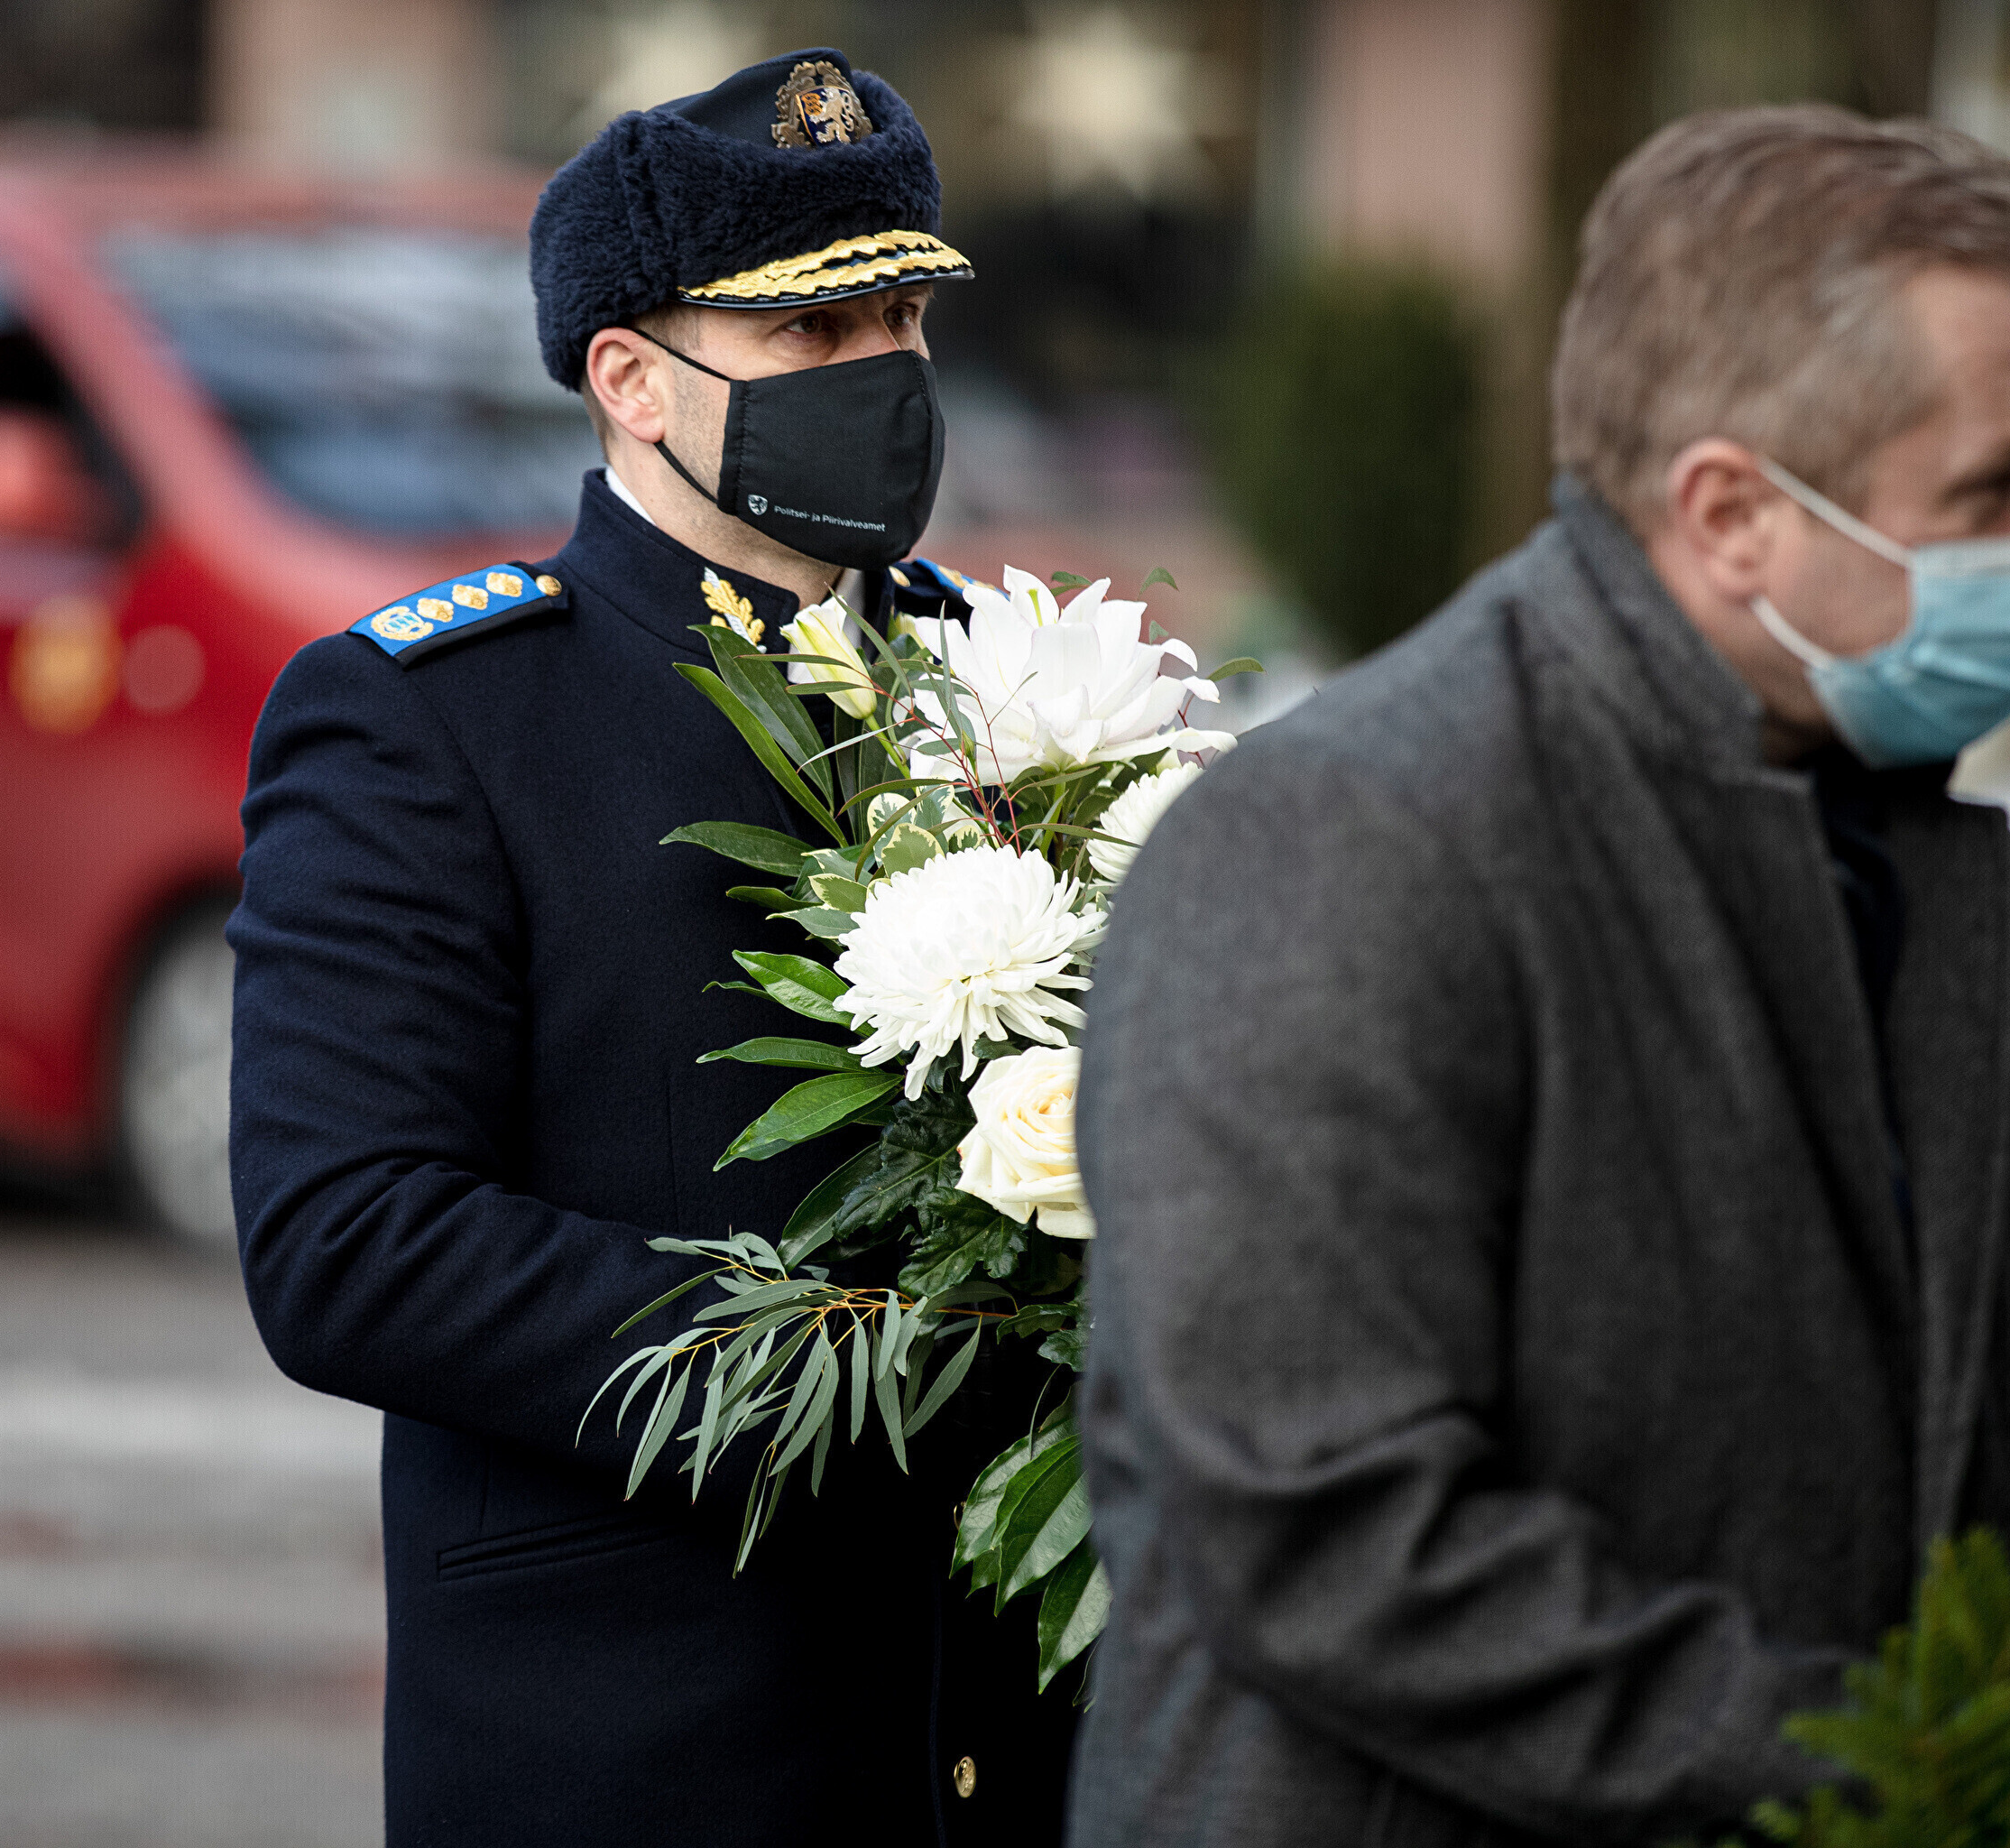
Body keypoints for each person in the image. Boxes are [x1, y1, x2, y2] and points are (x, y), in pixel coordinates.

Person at [1069, 106, 2010, 1847]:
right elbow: (1334, 1538)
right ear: (1736, 514)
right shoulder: (1344, 839)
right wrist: (1901, 1770)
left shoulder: (1912, 829)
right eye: (1990, 498)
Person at [230, 49, 1074, 1846]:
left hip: (992, 1738)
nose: (885, 374)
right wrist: (848, 1372)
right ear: (629, 379)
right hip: (642, 1734)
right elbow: (347, 1238)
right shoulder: (437, 716)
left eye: (905, 320)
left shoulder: (1014, 685)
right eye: (812, 332)